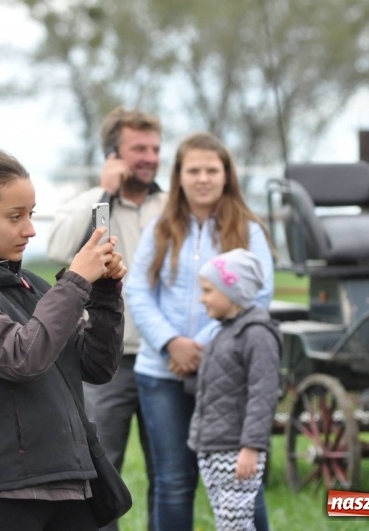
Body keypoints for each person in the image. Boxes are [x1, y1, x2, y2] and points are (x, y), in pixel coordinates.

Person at [0, 148, 128, 531]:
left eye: (31, 214)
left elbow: (96, 366)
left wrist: (104, 293)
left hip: (71, 483)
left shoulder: (33, 286)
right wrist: (75, 282)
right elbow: (21, 357)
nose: (30, 229)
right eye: (14, 217)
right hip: (4, 494)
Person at [124, 132, 275, 531]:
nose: (203, 178)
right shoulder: (161, 228)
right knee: (173, 481)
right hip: (163, 372)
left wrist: (205, 348)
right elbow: (137, 288)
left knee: (242, 479)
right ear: (179, 176)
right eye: (194, 170)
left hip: (228, 377)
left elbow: (259, 296)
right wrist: (171, 343)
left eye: (212, 169)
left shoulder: (248, 230)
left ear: (227, 175)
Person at [47, 106, 164, 531]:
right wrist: (102, 190)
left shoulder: (169, 206)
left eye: (154, 148)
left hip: (162, 360)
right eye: (139, 149)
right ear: (114, 154)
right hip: (103, 364)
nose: (149, 157)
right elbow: (58, 248)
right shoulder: (93, 204)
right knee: (99, 470)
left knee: (168, 475)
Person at [189, 249, 281, 531]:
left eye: (208, 290)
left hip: (236, 451)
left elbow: (262, 395)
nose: (202, 298)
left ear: (234, 291)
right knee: (227, 522)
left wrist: (251, 447)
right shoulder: (225, 331)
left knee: (235, 525)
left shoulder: (256, 334)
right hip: (214, 447)